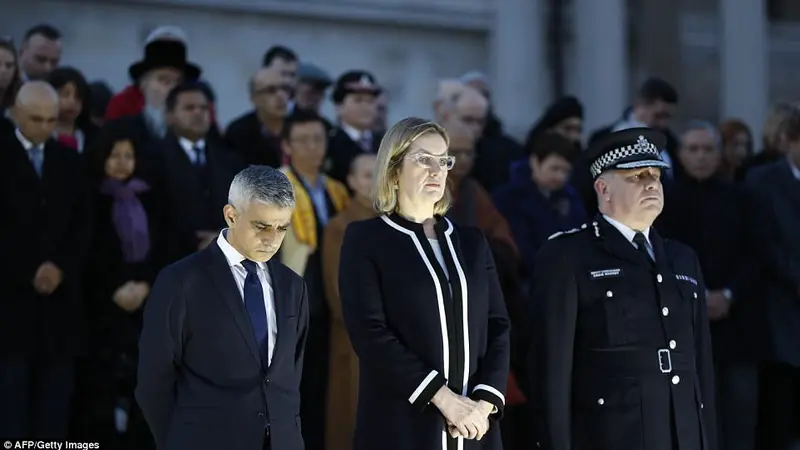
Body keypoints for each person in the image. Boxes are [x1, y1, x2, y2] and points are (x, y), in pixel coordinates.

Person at [526, 128, 718, 450]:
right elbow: (551, 372)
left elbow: (701, 369)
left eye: (655, 174)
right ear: (603, 188)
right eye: (636, 176)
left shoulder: (683, 258)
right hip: (612, 435)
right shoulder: (568, 256)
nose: (651, 183)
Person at [338, 117, 511, 450]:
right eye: (423, 159)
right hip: (403, 426)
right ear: (393, 169)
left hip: (475, 428)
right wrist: (444, 399)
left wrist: (483, 405)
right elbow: (370, 333)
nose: (437, 170)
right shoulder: (366, 240)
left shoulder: (472, 242)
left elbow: (498, 325)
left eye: (443, 160)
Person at [136, 165, 310, 450]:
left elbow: (289, 377)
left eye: (282, 228)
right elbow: (154, 381)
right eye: (261, 226)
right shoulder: (182, 281)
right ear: (231, 215)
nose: (272, 239)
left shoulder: (293, 286)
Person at [0, 81, 91, 439]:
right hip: (8, 307)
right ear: (16, 114)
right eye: (35, 119)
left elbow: (83, 226)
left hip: (59, 311)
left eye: (51, 120)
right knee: (10, 411)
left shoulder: (69, 160)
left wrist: (60, 268)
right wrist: (28, 271)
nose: (44, 127)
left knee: (53, 416)